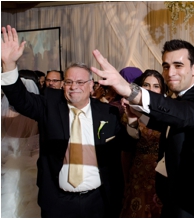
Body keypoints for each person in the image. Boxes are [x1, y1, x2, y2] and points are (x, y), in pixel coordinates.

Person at [1, 25, 136, 217]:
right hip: (57, 201)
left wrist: (131, 121)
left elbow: (126, 145)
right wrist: (8, 65)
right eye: (69, 82)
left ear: (91, 86)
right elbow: (20, 99)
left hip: (98, 201)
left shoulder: (107, 112)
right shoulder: (50, 104)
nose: (74, 87)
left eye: (80, 82)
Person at [91, 39, 194, 217]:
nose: (170, 72)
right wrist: (139, 115)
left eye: (178, 65)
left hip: (193, 201)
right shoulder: (180, 96)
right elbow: (169, 122)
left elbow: (184, 116)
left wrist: (130, 90)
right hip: (172, 194)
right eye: (166, 66)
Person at [119, 70, 168, 218]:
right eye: (146, 85)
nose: (150, 89)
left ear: (162, 90)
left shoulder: (168, 112)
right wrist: (132, 119)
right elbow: (129, 144)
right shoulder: (131, 110)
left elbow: (161, 127)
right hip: (139, 171)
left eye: (155, 86)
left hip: (163, 171)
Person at [1, 74, 41, 218]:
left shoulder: (4, 115)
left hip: (8, 165)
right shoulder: (36, 117)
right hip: (31, 166)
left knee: (8, 202)